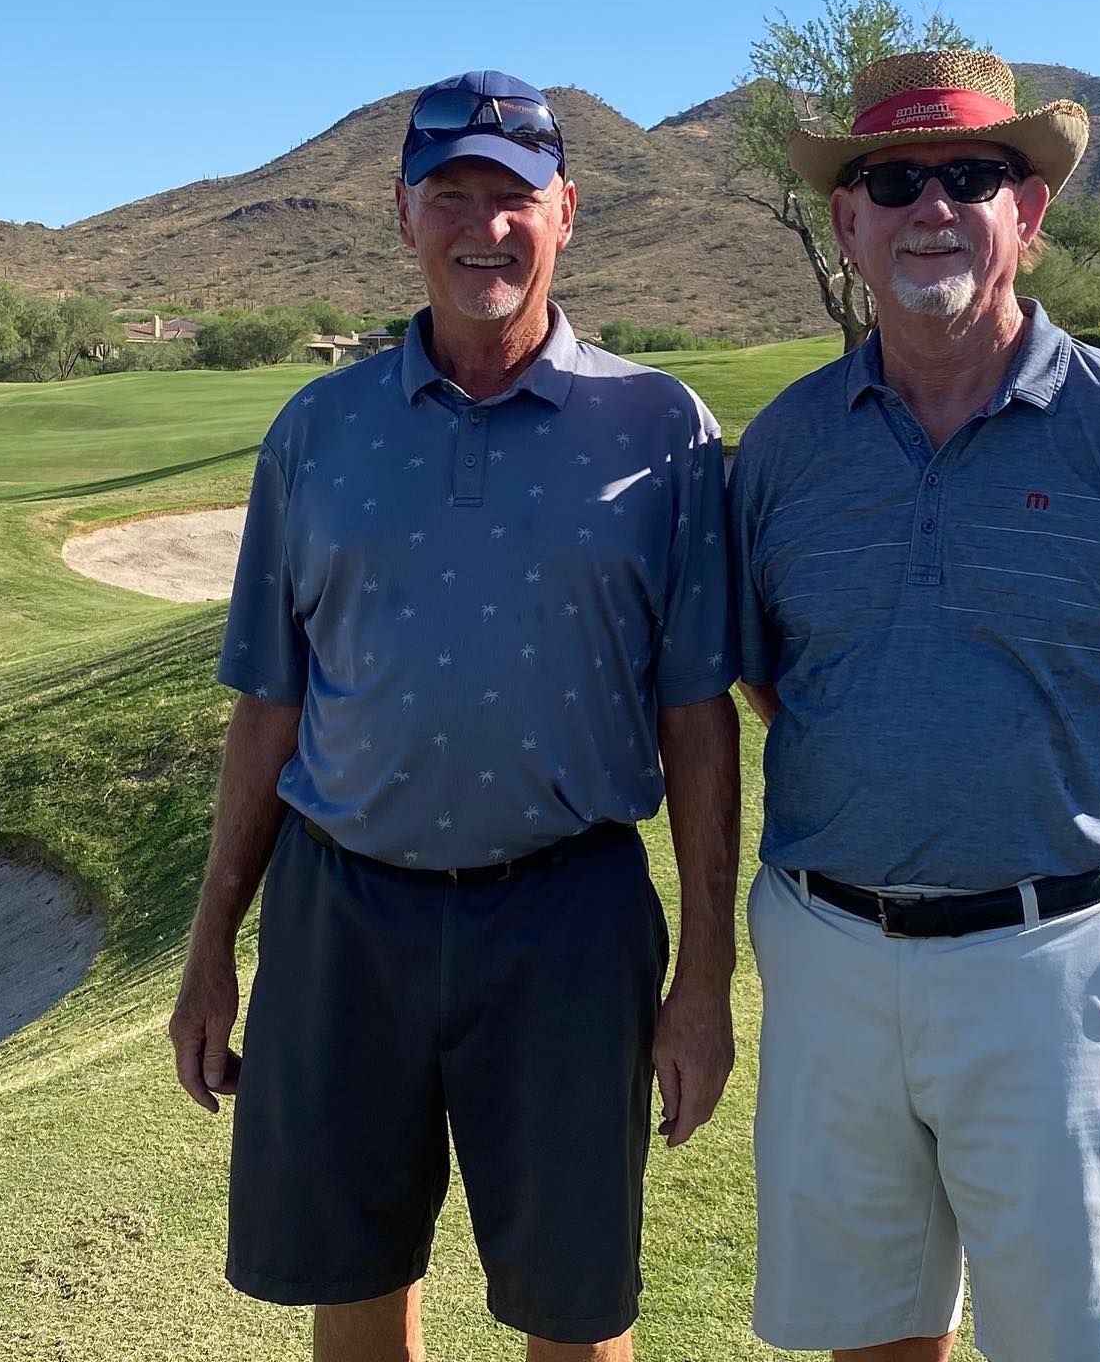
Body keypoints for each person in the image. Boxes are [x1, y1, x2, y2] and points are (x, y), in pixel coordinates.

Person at [729, 49, 1100, 1362]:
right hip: (831, 958)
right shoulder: (789, 446)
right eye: (893, 180)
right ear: (848, 222)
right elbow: (771, 678)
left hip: (1064, 967)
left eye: (972, 175)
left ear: (1027, 213)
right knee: (872, 1338)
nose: (932, 205)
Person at [169, 69, 740, 1362]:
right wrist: (211, 946)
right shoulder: (316, 431)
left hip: (569, 918)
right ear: (402, 213)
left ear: (567, 213)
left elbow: (700, 718)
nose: (486, 227)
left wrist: (703, 974)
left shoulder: (662, 431)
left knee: (575, 1308)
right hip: (341, 914)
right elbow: (268, 705)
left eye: (514, 198)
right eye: (452, 196)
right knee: (355, 1283)